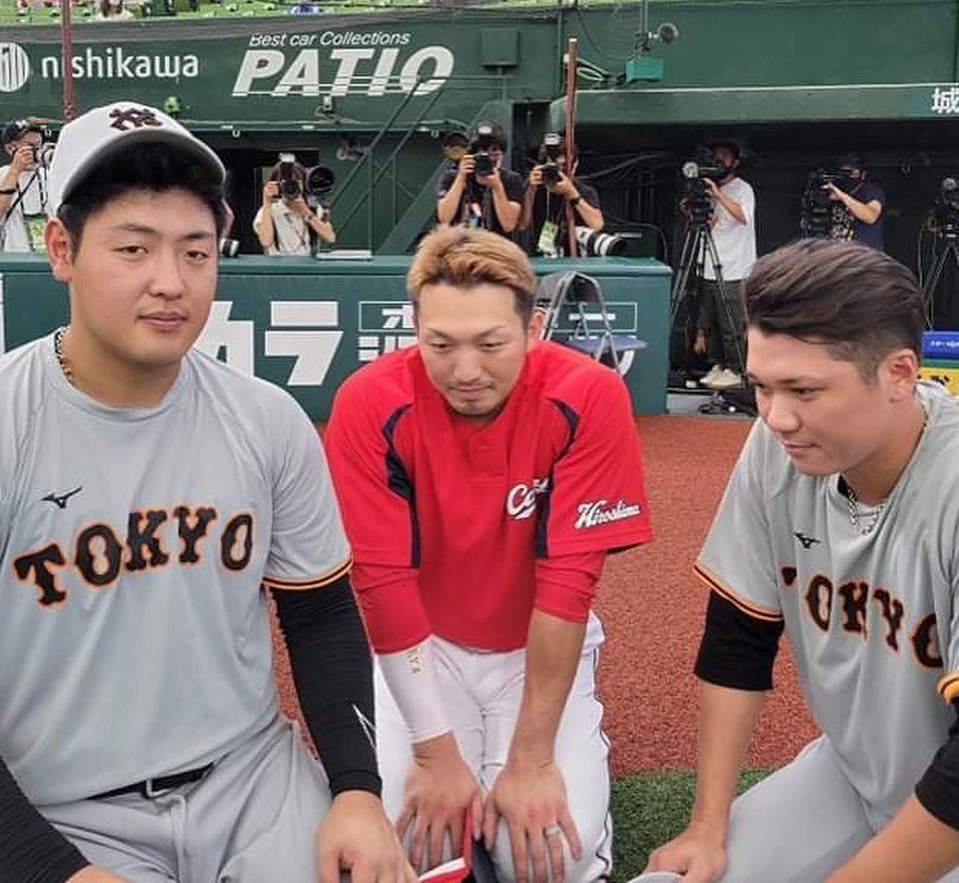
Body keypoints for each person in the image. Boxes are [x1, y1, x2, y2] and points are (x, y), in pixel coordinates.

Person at [0, 100, 412, 883]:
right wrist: (54, 869)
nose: (170, 282)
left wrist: (357, 790)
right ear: (60, 249)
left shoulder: (266, 419)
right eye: (133, 248)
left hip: (250, 779)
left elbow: (320, 615)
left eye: (195, 251)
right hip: (63, 807)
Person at [324, 225, 653, 883]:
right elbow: (381, 584)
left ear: (533, 329)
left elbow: (567, 584)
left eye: (491, 344)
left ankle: (554, 768)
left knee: (548, 860)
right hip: (425, 645)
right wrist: (434, 755)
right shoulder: (369, 400)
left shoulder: (587, 393)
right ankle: (461, 772)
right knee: (407, 845)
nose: (466, 370)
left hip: (534, 645)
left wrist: (532, 760)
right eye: (440, 344)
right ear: (414, 328)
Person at [647, 238, 959, 883]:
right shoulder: (779, 445)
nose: (777, 417)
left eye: (805, 390)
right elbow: (738, 638)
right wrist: (707, 827)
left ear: (900, 374)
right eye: (761, 386)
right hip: (855, 776)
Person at [694, 140, 755, 391]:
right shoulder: (708, 187)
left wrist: (719, 195)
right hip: (708, 263)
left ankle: (736, 369)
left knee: (732, 322)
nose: (718, 160)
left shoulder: (743, 189)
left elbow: (743, 217)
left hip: (734, 268)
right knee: (711, 321)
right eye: (715, 155)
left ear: (735, 162)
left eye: (724, 156)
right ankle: (718, 364)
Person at [435, 121, 525, 237]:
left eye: (494, 150)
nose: (487, 157)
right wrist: (461, 178)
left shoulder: (511, 179)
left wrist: (497, 187)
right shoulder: (452, 177)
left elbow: (508, 225)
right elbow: (444, 218)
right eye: (479, 152)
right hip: (459, 243)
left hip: (494, 244)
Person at [520, 136, 603, 258]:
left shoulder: (583, 190)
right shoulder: (533, 186)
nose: (558, 173)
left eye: (564, 168)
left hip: (573, 257)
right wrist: (531, 190)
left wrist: (572, 194)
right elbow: (522, 224)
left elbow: (597, 224)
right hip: (537, 256)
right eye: (553, 168)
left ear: (575, 165)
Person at [254, 158, 336, 255]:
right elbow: (266, 242)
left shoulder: (313, 209)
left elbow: (330, 237)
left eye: (295, 183)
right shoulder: (268, 211)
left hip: (308, 263)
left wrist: (306, 212)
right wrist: (266, 200)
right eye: (286, 184)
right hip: (279, 263)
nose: (291, 187)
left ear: (303, 184)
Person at [0, 118, 49, 253]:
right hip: (14, 257)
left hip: (48, 256)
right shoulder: (3, 174)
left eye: (39, 145)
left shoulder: (50, 175)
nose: (35, 150)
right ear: (10, 148)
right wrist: (15, 170)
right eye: (30, 145)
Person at [825, 152, 885, 251]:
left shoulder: (871, 191)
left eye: (851, 172)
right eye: (844, 172)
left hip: (864, 255)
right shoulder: (836, 191)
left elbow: (871, 217)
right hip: (839, 252)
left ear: (863, 174)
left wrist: (842, 196)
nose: (847, 176)